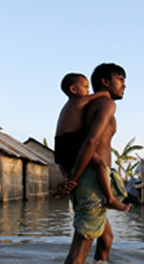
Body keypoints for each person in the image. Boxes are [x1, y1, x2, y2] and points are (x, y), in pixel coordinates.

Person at [64, 63, 129, 264]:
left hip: (91, 178)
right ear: (105, 81)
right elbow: (90, 141)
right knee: (80, 248)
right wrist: (73, 178)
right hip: (92, 180)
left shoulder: (87, 106)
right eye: (120, 79)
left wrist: (70, 175)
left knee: (106, 238)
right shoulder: (106, 104)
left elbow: (69, 142)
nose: (124, 85)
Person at [54, 73, 130, 212]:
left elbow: (62, 155)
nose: (88, 91)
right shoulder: (80, 102)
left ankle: (67, 181)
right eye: (85, 87)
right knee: (101, 165)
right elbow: (91, 141)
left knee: (106, 235)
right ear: (73, 89)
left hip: (60, 142)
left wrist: (69, 177)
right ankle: (111, 199)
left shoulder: (70, 106)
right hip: (70, 140)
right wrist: (104, 94)